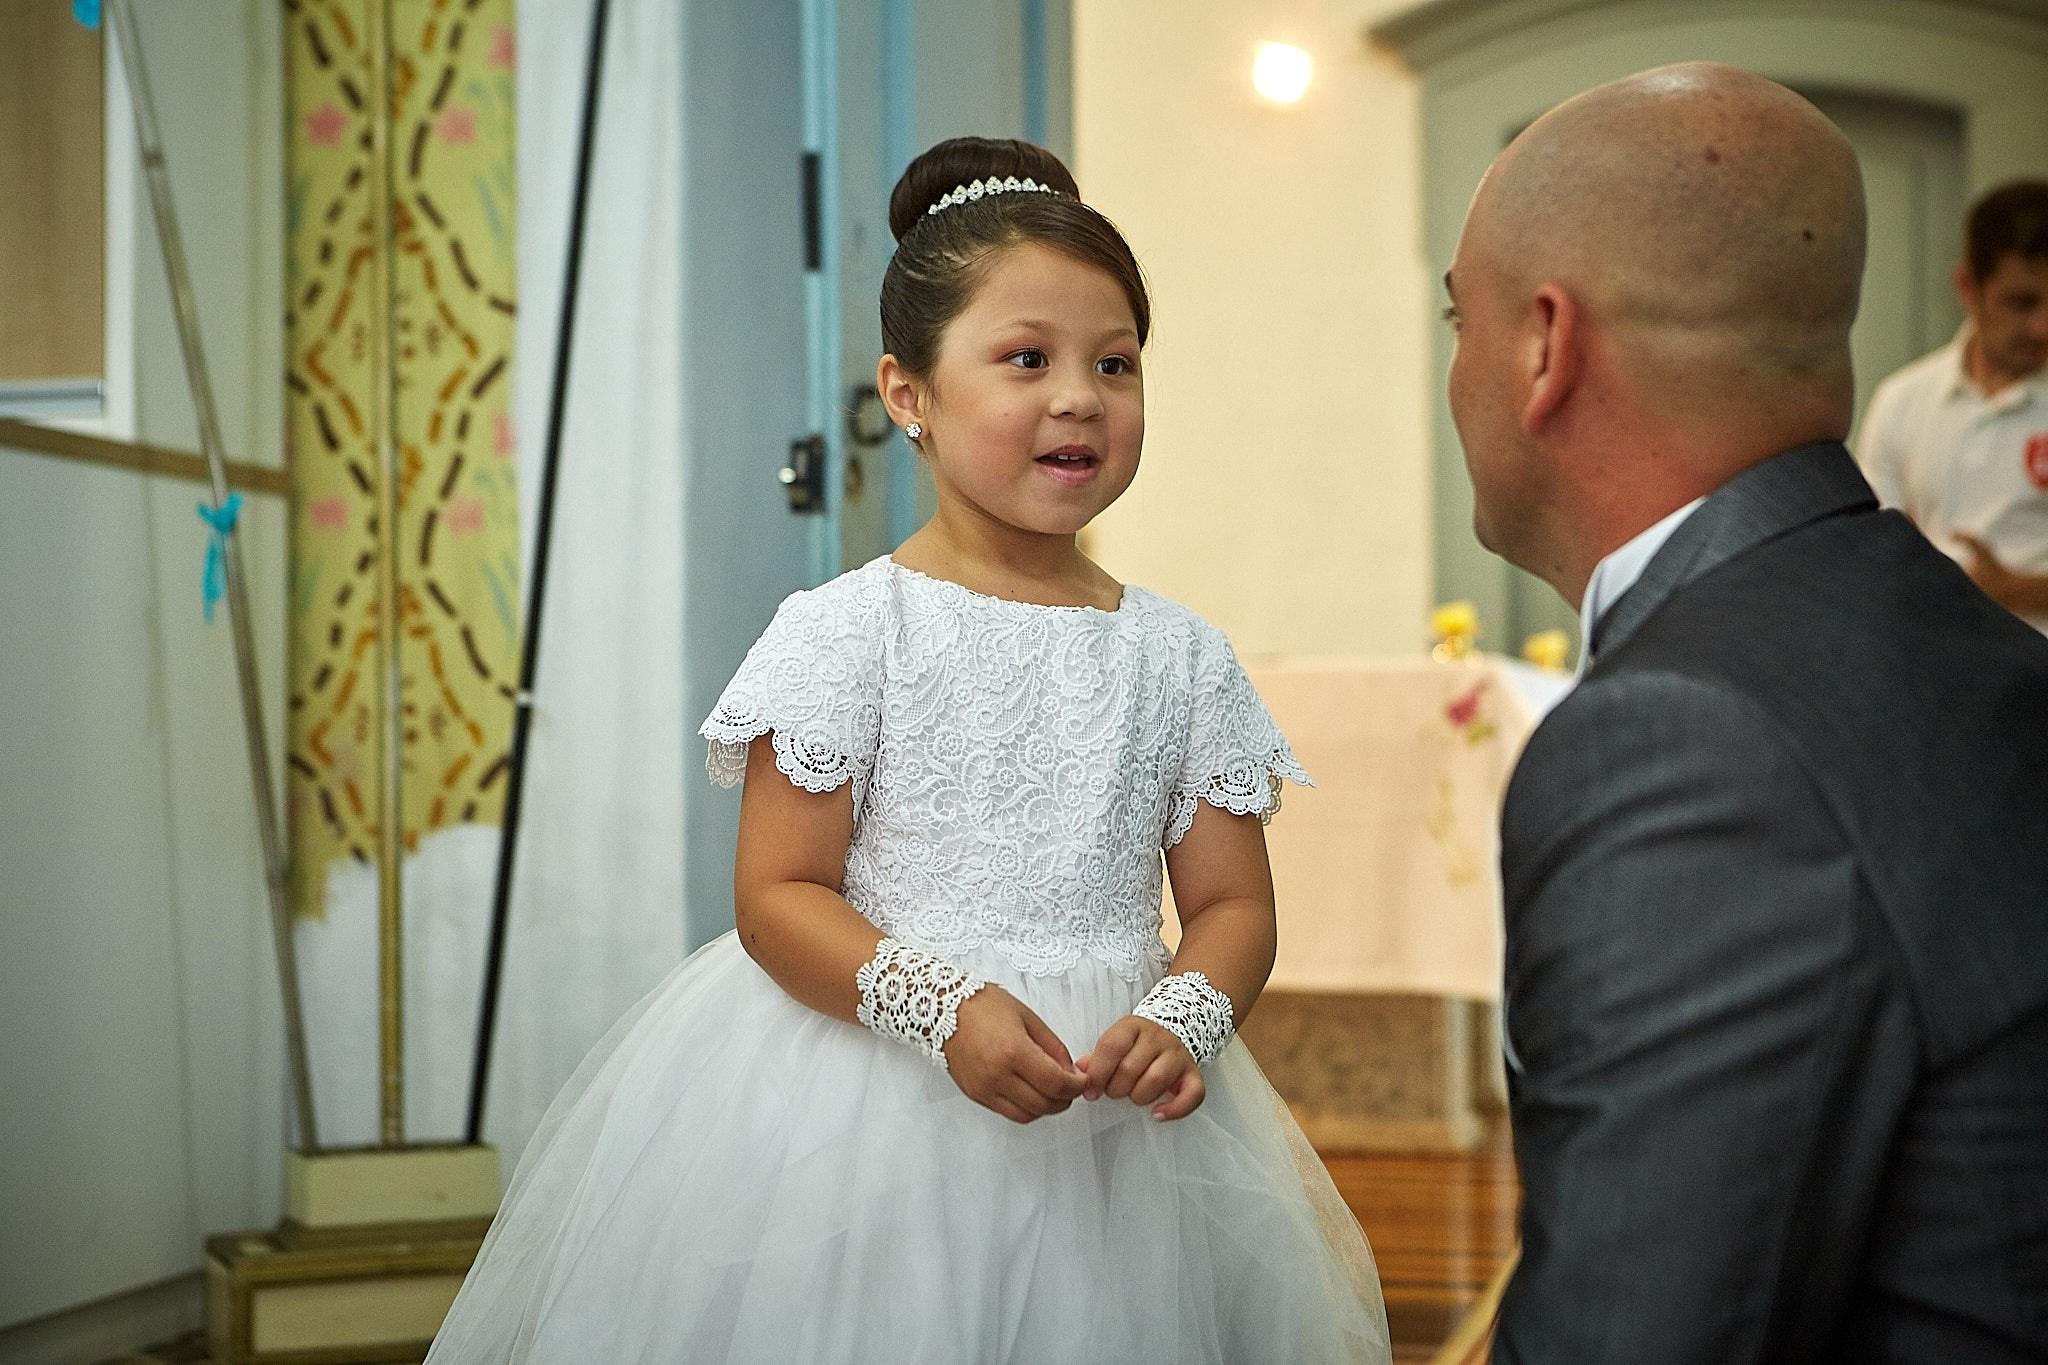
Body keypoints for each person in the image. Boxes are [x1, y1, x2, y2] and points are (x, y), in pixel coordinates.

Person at [423, 137, 1389, 1364]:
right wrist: (940, 1011)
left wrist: (1187, 1012)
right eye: (1025, 359)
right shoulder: (844, 631)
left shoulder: (1181, 657)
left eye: (1115, 363)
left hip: (1112, 1124)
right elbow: (777, 896)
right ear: (907, 393)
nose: (1079, 397)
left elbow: (1231, 903)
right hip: (869, 1092)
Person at [1441, 62, 2048, 1361]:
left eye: (1460, 324)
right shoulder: (1956, 638)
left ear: (1546, 346)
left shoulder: (1688, 739)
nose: (1457, 377)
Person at [1858, 180, 2048, 631]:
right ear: (1968, 287)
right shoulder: (1901, 401)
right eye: (2022, 303)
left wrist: (2017, 591)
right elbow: (1875, 554)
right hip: (1930, 674)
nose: (2043, 327)